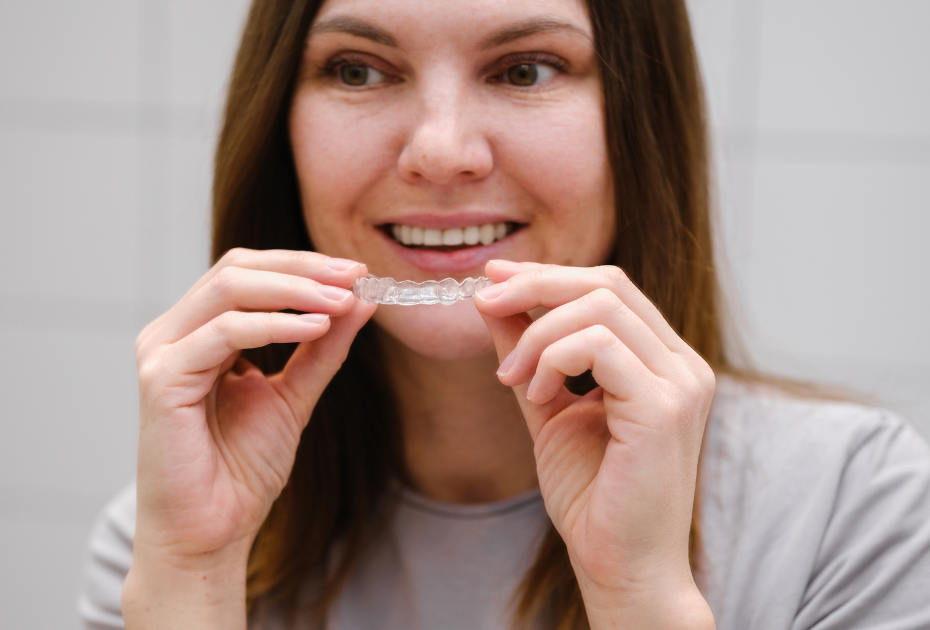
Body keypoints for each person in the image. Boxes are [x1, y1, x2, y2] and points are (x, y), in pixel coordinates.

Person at [79, 0, 930, 628]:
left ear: (638, 121)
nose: (441, 152)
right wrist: (189, 581)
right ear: (279, 128)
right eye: (357, 69)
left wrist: (640, 598)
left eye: (524, 69)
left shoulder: (848, 508)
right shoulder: (166, 534)